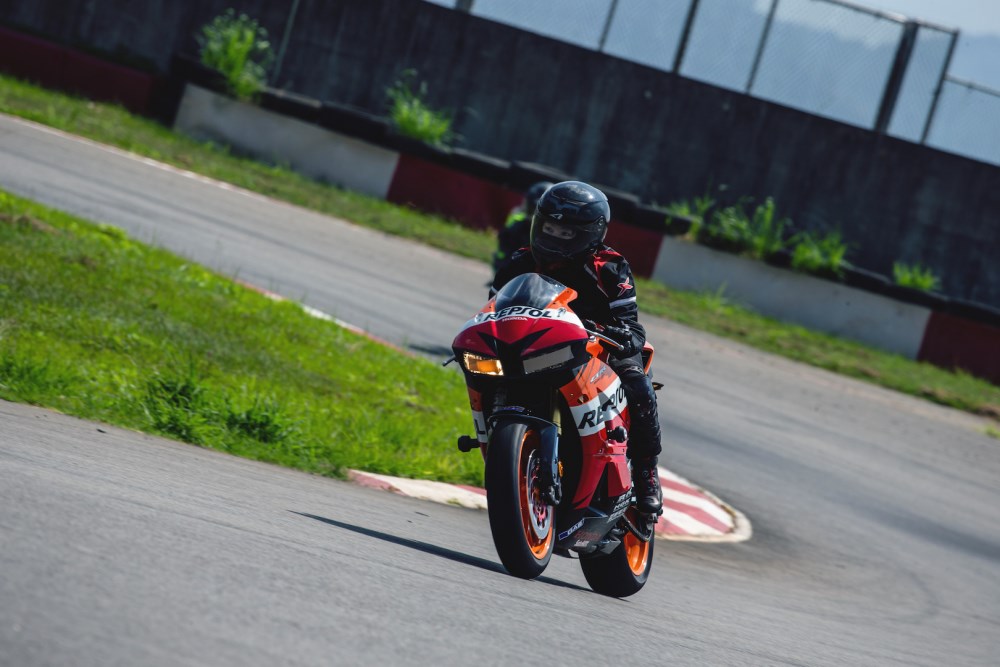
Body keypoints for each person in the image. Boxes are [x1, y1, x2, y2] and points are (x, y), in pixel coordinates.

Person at [490, 181, 663, 514]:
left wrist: (622, 335)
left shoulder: (610, 267)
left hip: (597, 347)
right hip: (541, 345)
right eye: (549, 228)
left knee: (637, 382)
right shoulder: (520, 261)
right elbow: (494, 308)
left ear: (591, 233)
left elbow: (631, 324)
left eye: (566, 233)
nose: (554, 237)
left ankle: (646, 471)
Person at [491, 181, 552, 274]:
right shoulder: (518, 220)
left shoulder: (552, 233)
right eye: (532, 208)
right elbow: (505, 240)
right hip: (508, 267)